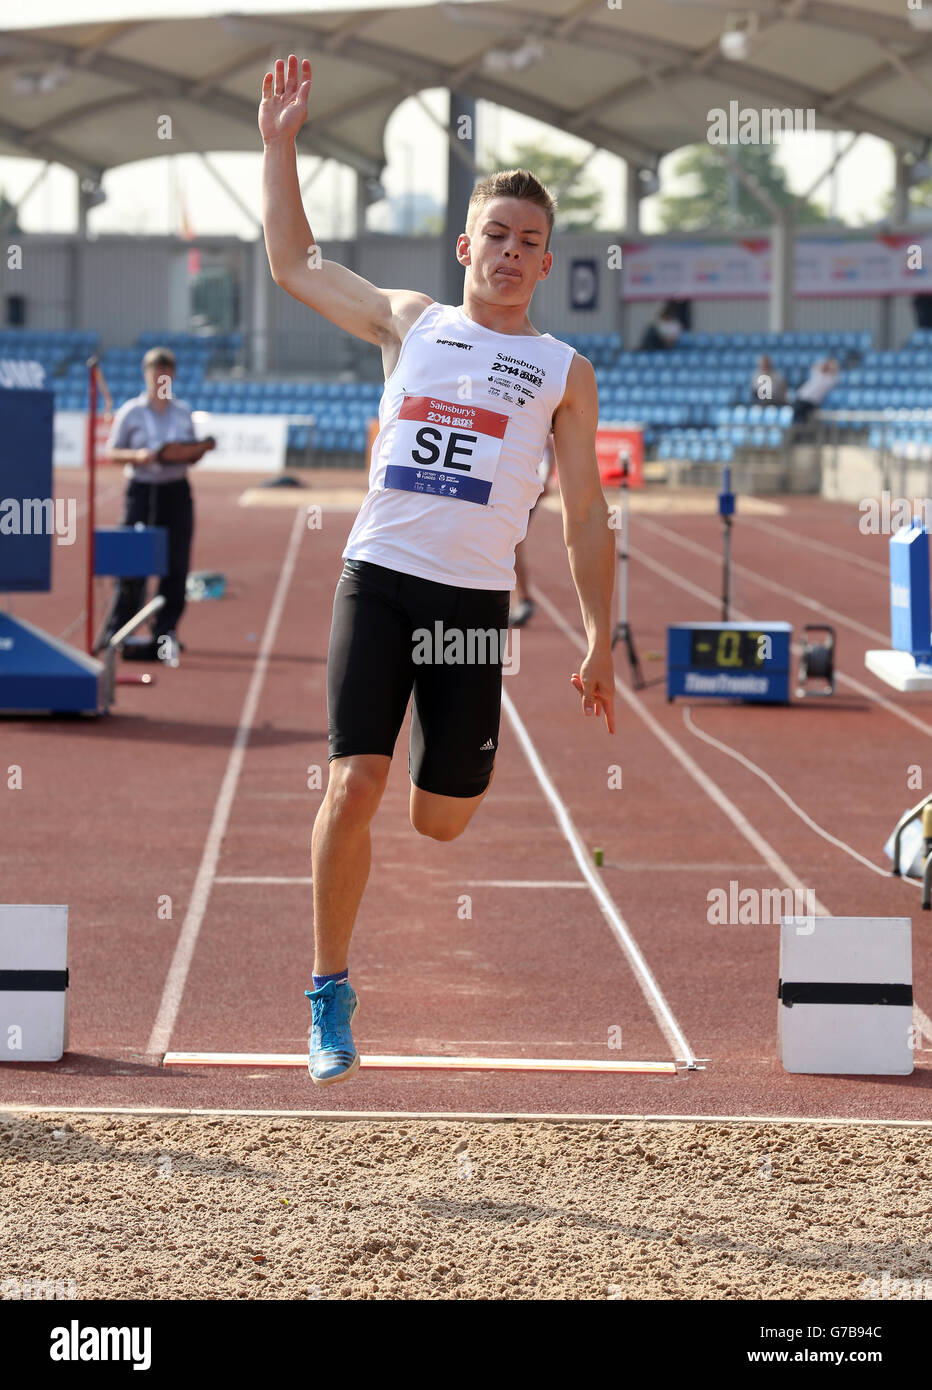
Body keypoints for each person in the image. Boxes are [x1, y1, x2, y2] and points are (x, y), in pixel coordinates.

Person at [260, 55, 616, 1087]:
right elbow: (294, 263)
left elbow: (585, 514)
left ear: (545, 267)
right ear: (465, 246)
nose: (509, 253)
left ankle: (443, 755)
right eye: (495, 236)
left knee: (440, 814)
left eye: (529, 244)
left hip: (469, 606)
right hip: (379, 576)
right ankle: (329, 991)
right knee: (353, 780)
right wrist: (280, 145)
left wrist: (597, 635)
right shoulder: (411, 322)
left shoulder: (561, 372)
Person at [98, 347, 212, 656]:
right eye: (155, 374)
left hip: (176, 491)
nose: (161, 379)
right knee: (133, 562)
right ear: (146, 375)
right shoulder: (131, 412)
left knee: (176, 566)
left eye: (166, 373)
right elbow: (112, 452)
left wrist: (195, 450)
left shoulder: (183, 411)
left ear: (172, 376)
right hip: (142, 491)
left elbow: (190, 452)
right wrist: (137, 456)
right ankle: (120, 630)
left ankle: (166, 633)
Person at [509, 431, 556, 628]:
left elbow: (549, 446)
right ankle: (520, 601)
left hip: (524, 487)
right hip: (513, 484)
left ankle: (523, 601)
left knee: (511, 542)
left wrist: (545, 480)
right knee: (510, 542)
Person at [792, 356, 840, 424]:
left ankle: (799, 426)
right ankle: (798, 426)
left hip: (811, 401)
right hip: (802, 397)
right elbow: (815, 366)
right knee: (796, 410)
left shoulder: (831, 379)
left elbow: (835, 378)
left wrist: (833, 367)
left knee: (799, 411)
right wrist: (825, 364)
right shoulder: (818, 374)